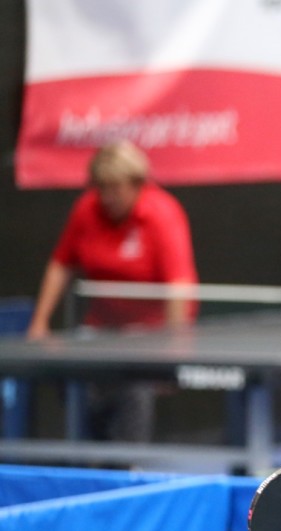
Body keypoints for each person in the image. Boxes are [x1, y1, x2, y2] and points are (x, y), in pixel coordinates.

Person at [26, 140, 198, 442]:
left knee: (134, 385)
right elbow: (61, 263)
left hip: (151, 335)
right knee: (67, 374)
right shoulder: (86, 209)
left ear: (136, 184)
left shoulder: (162, 214)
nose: (107, 197)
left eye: (115, 188)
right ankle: (88, 453)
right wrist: (39, 322)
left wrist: (174, 348)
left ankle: (129, 461)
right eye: (101, 187)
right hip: (100, 330)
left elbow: (178, 286)